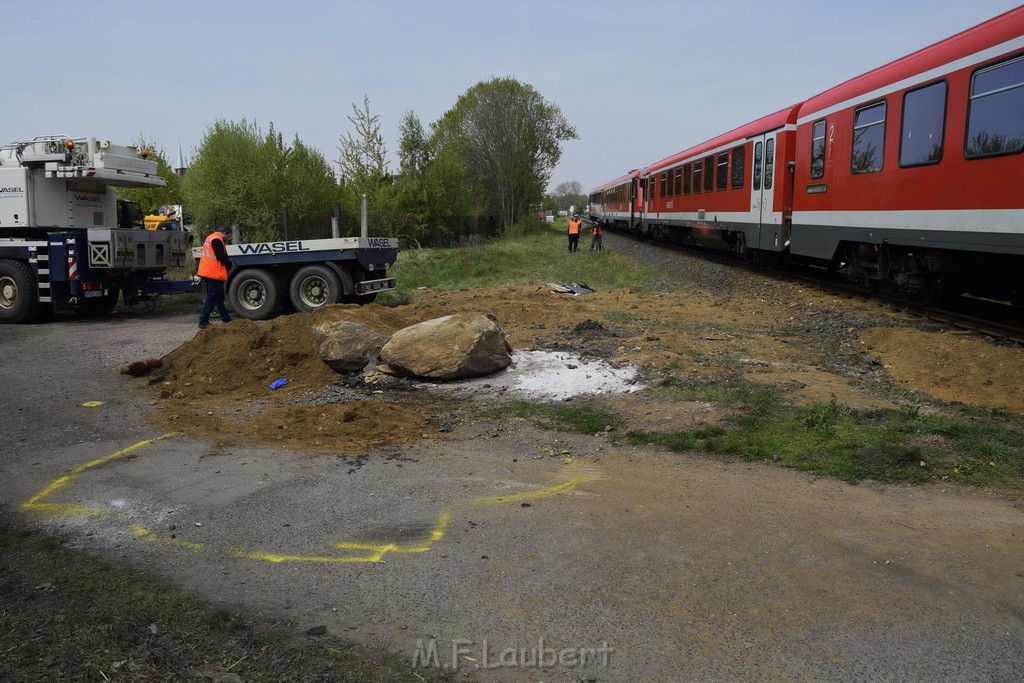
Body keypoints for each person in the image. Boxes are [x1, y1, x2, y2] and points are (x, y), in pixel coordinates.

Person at [197, 226, 234, 329]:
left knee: (219, 297)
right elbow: (221, 257)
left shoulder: (212, 237)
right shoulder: (217, 240)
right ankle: (203, 320)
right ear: (226, 233)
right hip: (213, 272)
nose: (229, 238)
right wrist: (229, 264)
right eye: (230, 235)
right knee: (213, 297)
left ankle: (225, 318)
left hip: (208, 271)